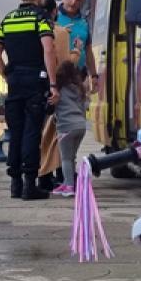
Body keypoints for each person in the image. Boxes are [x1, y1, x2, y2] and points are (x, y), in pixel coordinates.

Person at [0, 0, 59, 200]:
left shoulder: (7, 19)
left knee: (16, 133)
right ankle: (30, 185)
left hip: (15, 83)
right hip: (35, 82)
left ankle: (15, 185)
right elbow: (48, 50)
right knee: (32, 132)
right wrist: (53, 84)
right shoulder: (40, 17)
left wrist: (8, 75)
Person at [51, 60, 88, 197]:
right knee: (71, 157)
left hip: (66, 126)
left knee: (65, 158)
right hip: (81, 126)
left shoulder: (58, 90)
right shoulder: (79, 89)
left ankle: (69, 187)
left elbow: (52, 106)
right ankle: (68, 182)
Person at [55, 0, 99, 91]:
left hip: (79, 76)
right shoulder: (54, 17)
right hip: (59, 76)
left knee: (79, 106)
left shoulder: (83, 22)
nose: (74, 2)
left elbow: (88, 50)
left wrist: (94, 75)